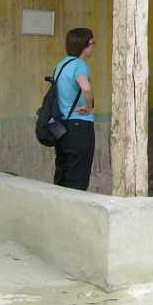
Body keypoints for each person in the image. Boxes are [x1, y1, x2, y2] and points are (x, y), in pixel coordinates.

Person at [53, 27, 96, 191]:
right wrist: (88, 106)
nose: (93, 46)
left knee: (63, 173)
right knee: (78, 177)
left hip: (61, 127)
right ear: (83, 46)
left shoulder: (61, 64)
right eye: (92, 43)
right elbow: (85, 88)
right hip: (79, 126)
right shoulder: (79, 65)